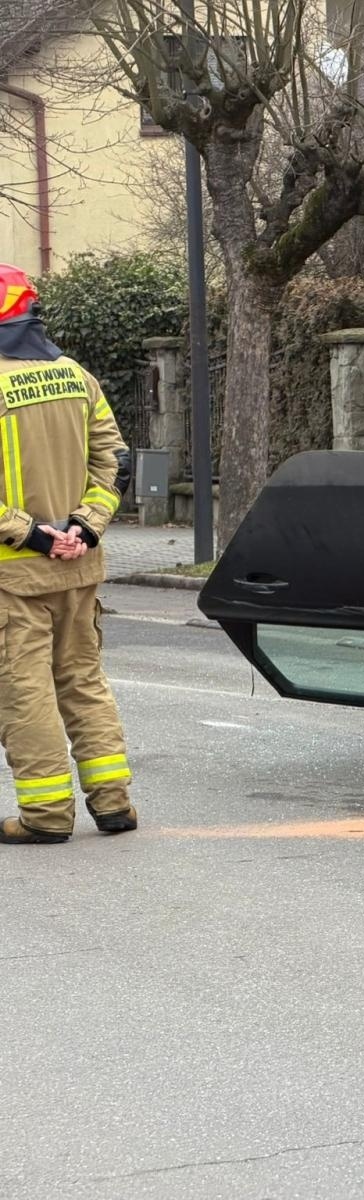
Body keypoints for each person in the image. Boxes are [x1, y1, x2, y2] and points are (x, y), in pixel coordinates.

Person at [0, 263, 135, 844]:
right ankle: (114, 803)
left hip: (12, 576)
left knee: (24, 691)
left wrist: (31, 534)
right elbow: (116, 461)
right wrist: (85, 526)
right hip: (78, 566)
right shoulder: (76, 376)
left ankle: (46, 815)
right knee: (83, 680)